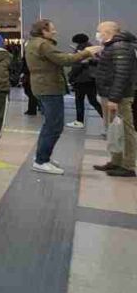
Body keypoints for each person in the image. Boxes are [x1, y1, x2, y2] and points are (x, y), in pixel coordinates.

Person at [25, 19, 99, 175]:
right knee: (54, 126)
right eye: (52, 29)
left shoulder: (33, 43)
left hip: (42, 86)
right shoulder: (43, 44)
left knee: (49, 124)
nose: (55, 31)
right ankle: (41, 161)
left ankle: (42, 157)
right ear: (43, 31)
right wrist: (87, 52)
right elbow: (65, 60)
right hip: (49, 88)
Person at [92, 21, 137, 178]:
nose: (98, 34)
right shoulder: (113, 46)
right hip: (111, 95)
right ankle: (116, 161)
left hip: (119, 97)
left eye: (99, 31)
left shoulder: (121, 46)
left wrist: (114, 98)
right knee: (114, 130)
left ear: (108, 31)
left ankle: (128, 165)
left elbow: (121, 74)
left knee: (125, 130)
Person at [67, 33, 103, 130]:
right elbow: (98, 61)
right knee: (93, 100)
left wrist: (71, 77)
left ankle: (79, 121)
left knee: (79, 100)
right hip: (92, 78)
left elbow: (77, 65)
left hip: (81, 79)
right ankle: (107, 119)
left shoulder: (81, 49)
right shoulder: (92, 48)